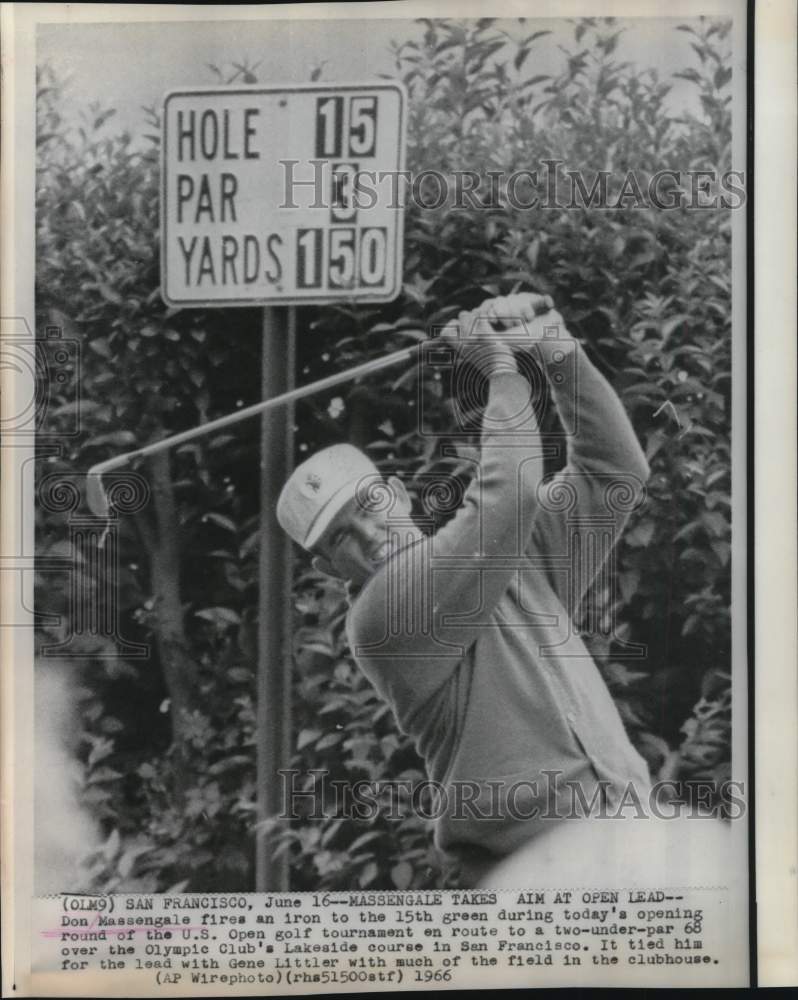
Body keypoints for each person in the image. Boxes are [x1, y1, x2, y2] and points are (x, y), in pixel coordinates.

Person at [277, 293, 655, 888]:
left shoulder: (510, 559)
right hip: (535, 877)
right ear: (330, 570)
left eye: (369, 506)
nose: (370, 535)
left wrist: (555, 348)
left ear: (397, 493)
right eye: (342, 537)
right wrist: (500, 370)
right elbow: (509, 497)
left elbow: (615, 472)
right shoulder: (381, 620)